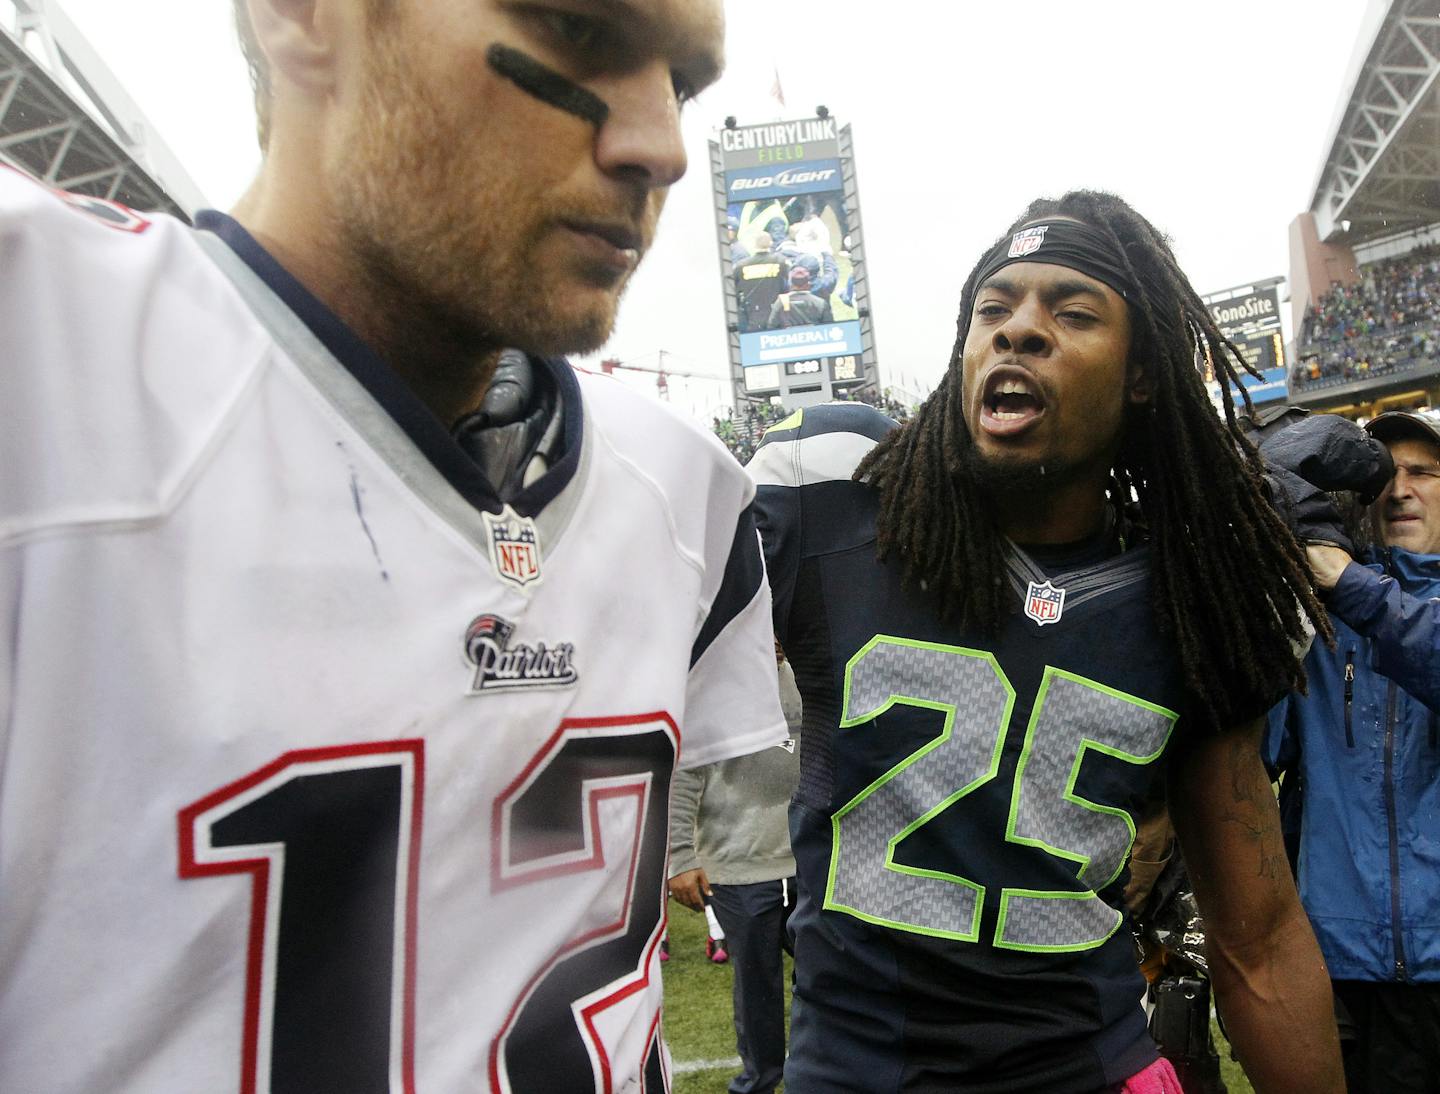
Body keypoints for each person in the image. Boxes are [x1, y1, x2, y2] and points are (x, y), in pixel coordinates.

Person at [0, 1, 788, 1091]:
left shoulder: (681, 490)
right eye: (578, 30)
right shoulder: (42, 352)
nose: (662, 144)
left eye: (685, 85)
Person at [748, 191, 1345, 1092]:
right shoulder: (830, 498)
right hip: (856, 1069)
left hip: (1089, 1064)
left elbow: (1256, 936)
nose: (1018, 331)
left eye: (1071, 312)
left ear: (1141, 374)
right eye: (995, 308)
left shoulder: (1192, 595)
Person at [1265, 409, 1440, 1093]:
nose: (1400, 490)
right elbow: (1246, 747)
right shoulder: (1317, 614)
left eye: (1423, 473)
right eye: (1385, 476)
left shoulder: (1350, 594)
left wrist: (1353, 587)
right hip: (1338, 972)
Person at [668, 642, 802, 1094]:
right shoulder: (710, 684)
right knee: (758, 990)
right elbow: (683, 774)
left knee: (829, 980)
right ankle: (759, 1084)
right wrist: (680, 857)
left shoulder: (808, 671)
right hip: (739, 868)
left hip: (810, 862)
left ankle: (817, 1074)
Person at [734, 231, 791, 333]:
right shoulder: (781, 262)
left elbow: (735, 292)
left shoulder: (741, 266)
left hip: (751, 316)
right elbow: (787, 288)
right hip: (776, 315)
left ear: (754, 244)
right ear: (771, 243)